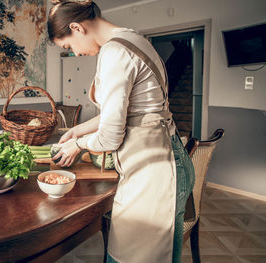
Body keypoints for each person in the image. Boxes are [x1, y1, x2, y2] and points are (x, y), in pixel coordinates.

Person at [48, 1, 195, 263]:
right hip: (164, 160)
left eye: (69, 47)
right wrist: (77, 130)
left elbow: (111, 136)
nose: (76, 54)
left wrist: (78, 145)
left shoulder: (115, 52)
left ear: (77, 28)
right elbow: (129, 114)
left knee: (132, 257)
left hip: (155, 170)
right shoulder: (133, 38)